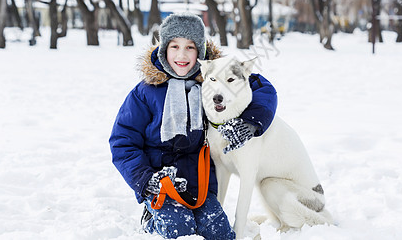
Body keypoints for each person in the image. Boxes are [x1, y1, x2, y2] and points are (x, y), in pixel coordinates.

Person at [109, 13, 277, 239]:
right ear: (163, 49)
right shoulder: (146, 91)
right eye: (174, 46)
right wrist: (145, 180)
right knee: (180, 230)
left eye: (190, 47)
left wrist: (251, 121)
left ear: (200, 52)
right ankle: (151, 219)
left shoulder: (213, 79)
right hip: (162, 185)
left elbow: (261, 87)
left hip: (201, 184)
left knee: (219, 234)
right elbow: (123, 141)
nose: (181, 54)